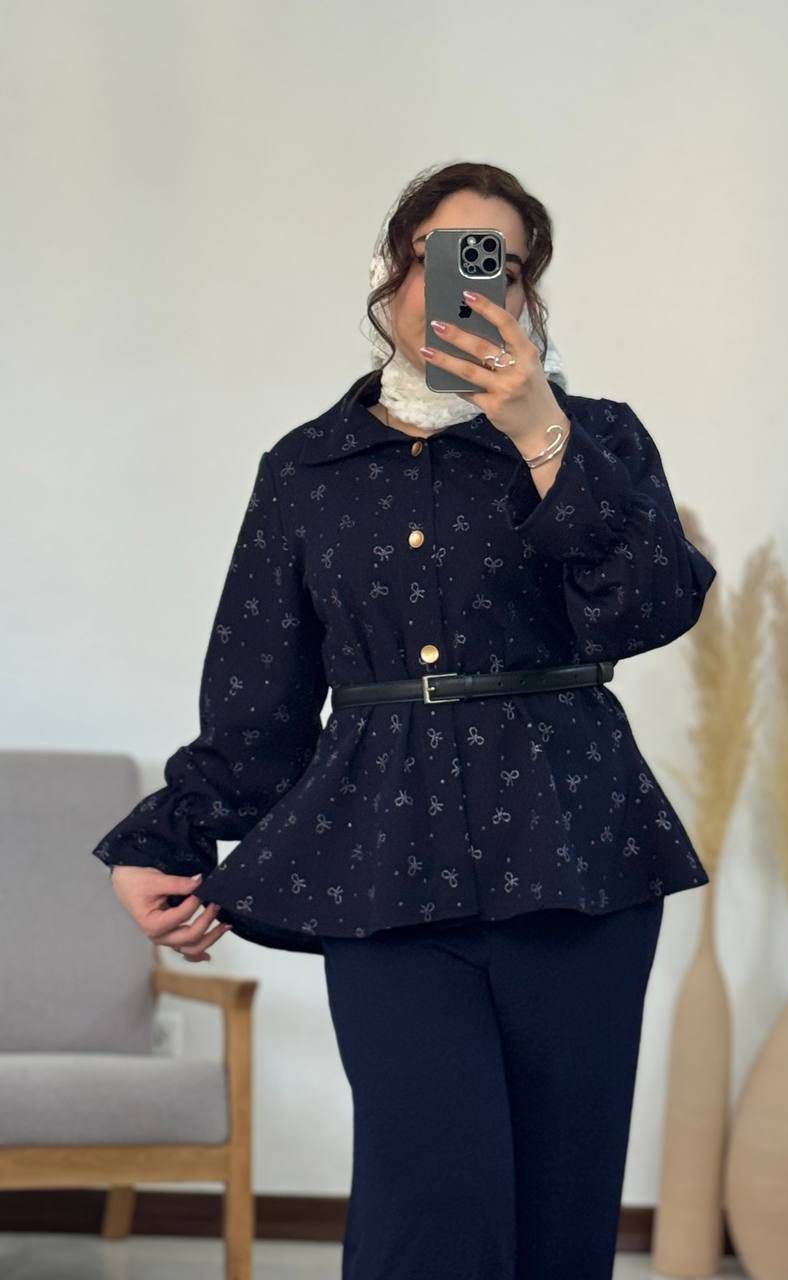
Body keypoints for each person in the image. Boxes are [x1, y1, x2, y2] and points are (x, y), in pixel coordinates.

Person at [95, 159, 717, 1279]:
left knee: (560, 1213)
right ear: (394, 271)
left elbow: (648, 607)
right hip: (382, 866)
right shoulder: (307, 469)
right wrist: (169, 834)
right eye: (445, 256)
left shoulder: (599, 438)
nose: (471, 287)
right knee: (430, 1202)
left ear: (525, 293)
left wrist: (539, 431)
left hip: (577, 856)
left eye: (500, 267)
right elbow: (259, 695)